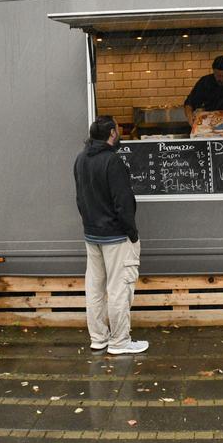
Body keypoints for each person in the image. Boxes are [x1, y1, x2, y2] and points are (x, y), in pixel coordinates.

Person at [73, 116, 149, 355]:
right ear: (112, 134)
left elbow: (79, 198)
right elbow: (123, 203)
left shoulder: (80, 159)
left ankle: (98, 338)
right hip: (116, 237)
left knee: (94, 289)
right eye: (118, 129)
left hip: (92, 234)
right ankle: (119, 342)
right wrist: (132, 234)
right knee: (119, 289)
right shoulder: (112, 161)